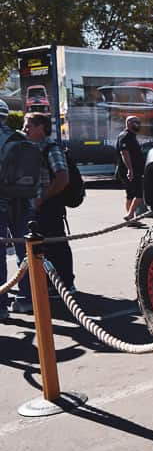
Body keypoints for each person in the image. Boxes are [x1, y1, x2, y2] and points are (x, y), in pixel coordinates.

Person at [23, 112, 75, 295]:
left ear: (41, 128)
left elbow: (63, 178)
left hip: (50, 205)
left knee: (56, 245)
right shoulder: (32, 147)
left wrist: (42, 198)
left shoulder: (51, 148)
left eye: (28, 125)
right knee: (41, 247)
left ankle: (67, 284)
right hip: (38, 205)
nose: (25, 129)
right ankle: (51, 284)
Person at [0, 101, 33, 317]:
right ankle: (30, 298)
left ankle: (1, 306)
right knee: (26, 251)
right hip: (22, 202)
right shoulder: (20, 137)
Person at [116, 115, 146, 224]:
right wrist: (130, 170)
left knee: (130, 195)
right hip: (131, 171)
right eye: (135, 122)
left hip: (131, 170)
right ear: (129, 123)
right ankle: (129, 215)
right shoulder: (125, 136)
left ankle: (131, 219)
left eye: (139, 122)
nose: (138, 124)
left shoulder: (131, 136)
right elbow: (124, 153)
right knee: (139, 195)